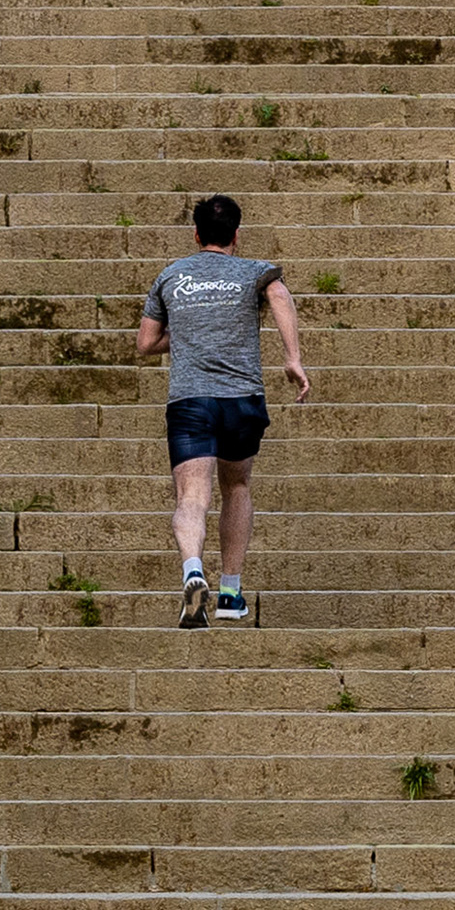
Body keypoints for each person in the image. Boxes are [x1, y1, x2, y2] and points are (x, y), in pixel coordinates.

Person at [137, 195, 309, 628]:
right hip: (241, 400)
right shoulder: (256, 271)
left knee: (192, 496)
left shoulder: (171, 276)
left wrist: (190, 334)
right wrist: (293, 358)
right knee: (237, 485)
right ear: (236, 235)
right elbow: (280, 295)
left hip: (191, 402)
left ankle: (193, 572)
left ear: (196, 234)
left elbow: (145, 345)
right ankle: (230, 593)